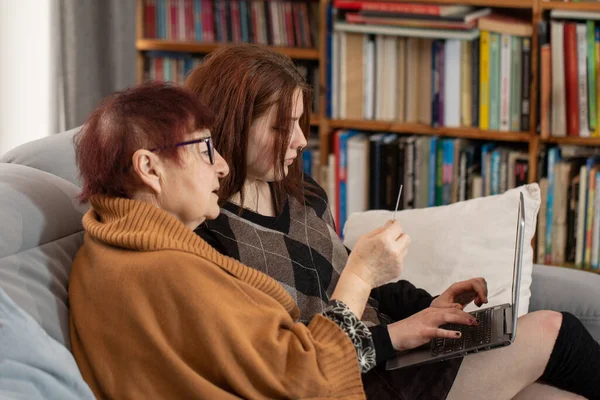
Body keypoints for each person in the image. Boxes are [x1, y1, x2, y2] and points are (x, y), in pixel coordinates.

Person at [186, 44, 600, 400]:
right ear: (232, 125)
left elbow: (352, 281)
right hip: (358, 381)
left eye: (299, 122)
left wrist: (430, 306)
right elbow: (288, 365)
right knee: (553, 329)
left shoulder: (300, 189)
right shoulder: (209, 235)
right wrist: (399, 335)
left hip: (394, 351)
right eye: (281, 126)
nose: (300, 140)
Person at [69, 81, 453, 399]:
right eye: (204, 149)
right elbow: (308, 379)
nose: (221, 166)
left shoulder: (111, 251)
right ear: (149, 168)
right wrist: (362, 274)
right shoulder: (167, 270)